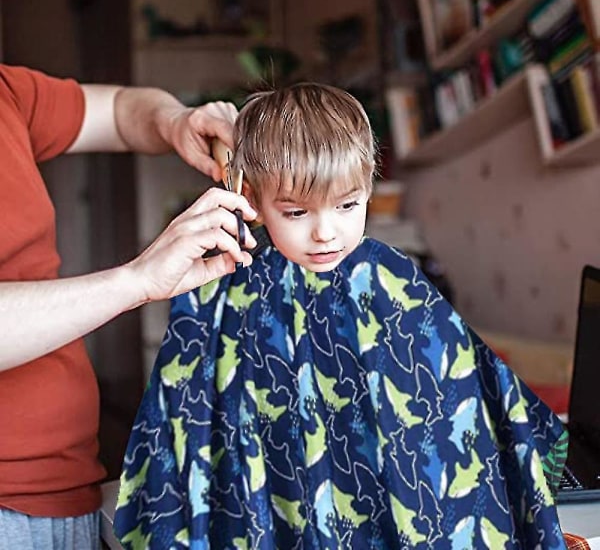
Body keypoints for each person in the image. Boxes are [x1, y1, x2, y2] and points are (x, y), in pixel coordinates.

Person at [113, 83, 568, 549]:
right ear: (250, 197)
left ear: (368, 185)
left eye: (348, 205)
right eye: (295, 212)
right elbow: (192, 423)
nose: (325, 233)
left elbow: (469, 398)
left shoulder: (391, 278)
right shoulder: (223, 291)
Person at [0, 63, 258, 550]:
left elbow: (120, 112)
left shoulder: (7, 91)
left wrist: (175, 121)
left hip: (72, 494)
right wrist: (137, 280)